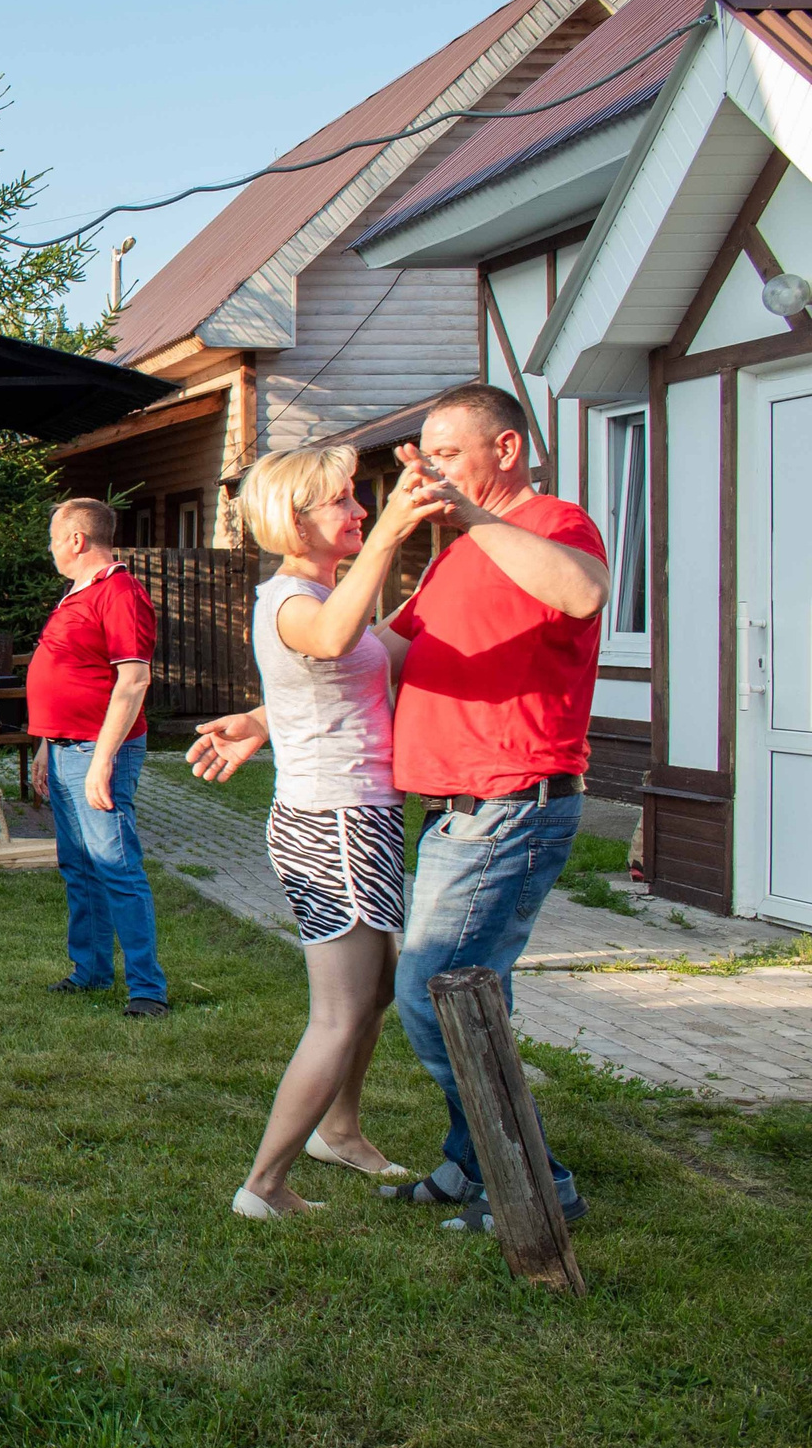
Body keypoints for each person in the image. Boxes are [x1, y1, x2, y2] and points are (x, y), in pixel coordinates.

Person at [193, 384, 606, 1232]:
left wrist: (466, 519)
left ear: (506, 450)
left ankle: (520, 1174)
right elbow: (369, 647)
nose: (426, 472)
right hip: (425, 814)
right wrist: (274, 716)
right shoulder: (451, 557)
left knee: (425, 992)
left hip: (507, 799)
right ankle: (471, 1161)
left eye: (446, 454)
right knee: (436, 993)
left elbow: (582, 594)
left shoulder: (549, 525)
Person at [227, 447, 451, 1219]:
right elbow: (324, 639)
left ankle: (341, 1127)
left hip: (363, 816)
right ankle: (262, 1185)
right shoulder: (294, 600)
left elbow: (386, 651)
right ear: (296, 519)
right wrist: (391, 532)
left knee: (378, 986)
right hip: (335, 824)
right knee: (341, 1011)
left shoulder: (323, 595)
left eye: (361, 501)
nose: (358, 511)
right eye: (344, 502)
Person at [28, 498, 167, 1018]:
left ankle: (148, 990)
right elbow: (69, 670)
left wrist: (102, 760)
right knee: (79, 865)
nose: (50, 547)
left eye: (53, 537)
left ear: (76, 540)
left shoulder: (120, 593)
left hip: (97, 750)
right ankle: (89, 972)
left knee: (116, 865)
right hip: (65, 747)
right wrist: (46, 743)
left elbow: (133, 680)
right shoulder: (78, 594)